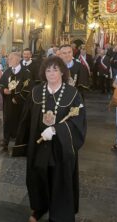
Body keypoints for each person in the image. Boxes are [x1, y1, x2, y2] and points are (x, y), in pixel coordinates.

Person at [16, 56, 86, 222]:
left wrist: (56, 129)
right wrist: (23, 143)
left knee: (59, 178)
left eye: (55, 69)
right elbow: (26, 119)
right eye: (48, 70)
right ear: (43, 73)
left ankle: (59, 214)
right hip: (39, 144)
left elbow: (78, 122)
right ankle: (39, 207)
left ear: (62, 71)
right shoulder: (36, 91)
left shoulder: (72, 93)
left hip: (60, 146)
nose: (52, 73)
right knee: (38, 176)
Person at [0, 52, 32, 150]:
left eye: (10, 59)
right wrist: (3, 90)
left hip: (20, 103)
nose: (8, 61)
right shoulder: (7, 71)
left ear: (17, 60)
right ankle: (6, 141)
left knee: (20, 122)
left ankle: (19, 142)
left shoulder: (26, 72)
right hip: (8, 102)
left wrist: (17, 98)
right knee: (7, 120)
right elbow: (1, 84)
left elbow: (28, 88)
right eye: (8, 59)